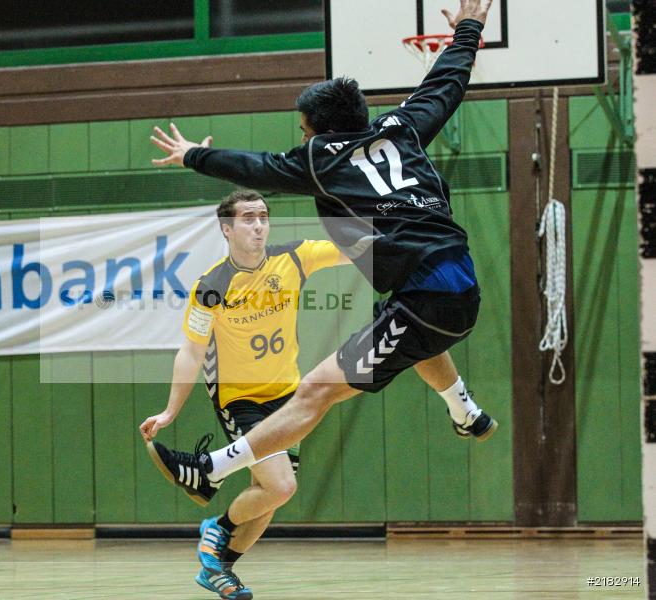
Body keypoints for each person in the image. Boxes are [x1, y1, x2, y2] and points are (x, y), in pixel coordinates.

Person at [145, 0, 498, 569]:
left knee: (314, 391)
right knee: (406, 331)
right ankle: (464, 412)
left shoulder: (318, 159)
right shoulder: (403, 125)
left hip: (431, 295)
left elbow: (254, 168)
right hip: (452, 285)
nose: (301, 134)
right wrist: (469, 28)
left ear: (320, 130)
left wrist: (194, 155)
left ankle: (210, 469)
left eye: (305, 128)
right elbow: (447, 82)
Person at [140, 188, 351, 600]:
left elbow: (356, 249)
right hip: (240, 398)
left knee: (269, 497)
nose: (258, 225)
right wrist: (170, 411)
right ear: (227, 228)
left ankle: (220, 569)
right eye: (248, 218)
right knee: (281, 486)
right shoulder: (212, 285)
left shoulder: (294, 258)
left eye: (263, 217)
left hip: (288, 396)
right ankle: (216, 530)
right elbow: (191, 351)